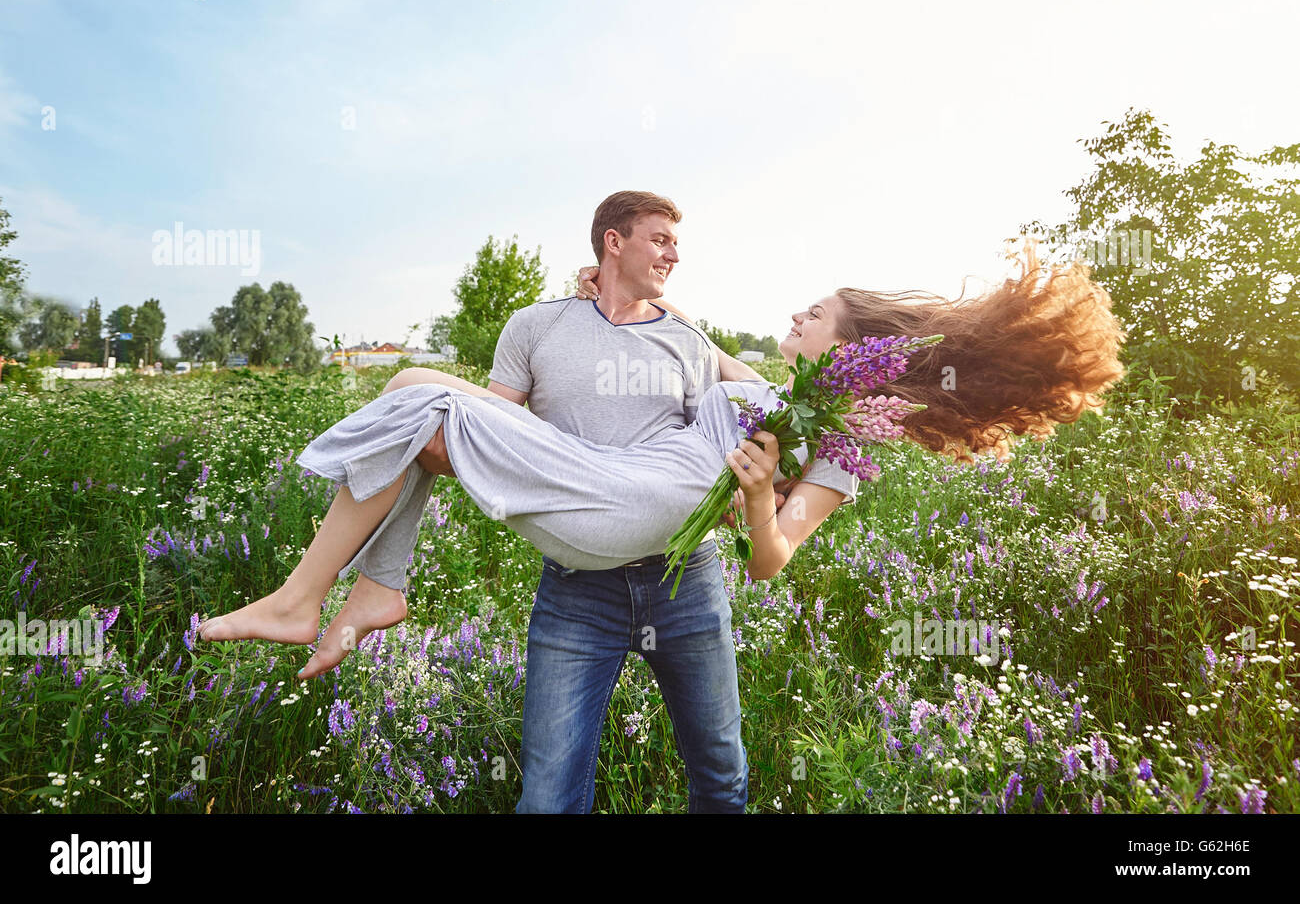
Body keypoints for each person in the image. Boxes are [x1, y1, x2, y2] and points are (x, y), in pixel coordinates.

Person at [197, 235, 1128, 812]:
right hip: (608, 519)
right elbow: (690, 333)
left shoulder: (844, 443)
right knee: (413, 400)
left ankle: (318, 594)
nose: (795, 314)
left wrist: (762, 496)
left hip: (664, 553)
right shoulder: (762, 386)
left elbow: (775, 559)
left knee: (719, 775)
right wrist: (611, 286)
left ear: (844, 348)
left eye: (814, 313)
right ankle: (361, 587)